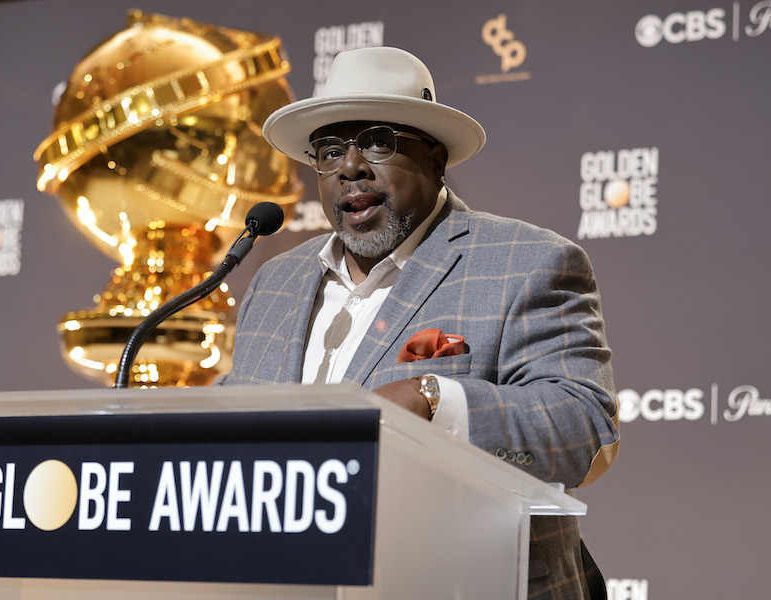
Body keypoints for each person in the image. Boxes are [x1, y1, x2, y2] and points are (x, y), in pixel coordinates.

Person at [220, 46, 620, 600]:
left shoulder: (526, 260)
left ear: (435, 158)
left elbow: (582, 428)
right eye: (330, 151)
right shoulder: (276, 281)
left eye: (378, 142)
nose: (350, 168)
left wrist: (434, 399)